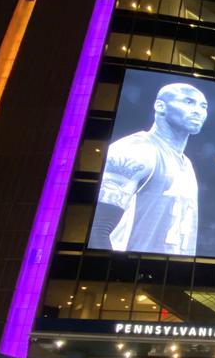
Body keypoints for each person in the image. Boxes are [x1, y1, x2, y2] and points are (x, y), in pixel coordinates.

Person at [89, 82, 208, 255]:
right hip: (133, 274)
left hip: (171, 275)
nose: (198, 111)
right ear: (160, 106)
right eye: (188, 102)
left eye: (203, 106)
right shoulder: (136, 149)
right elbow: (97, 228)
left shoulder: (186, 163)